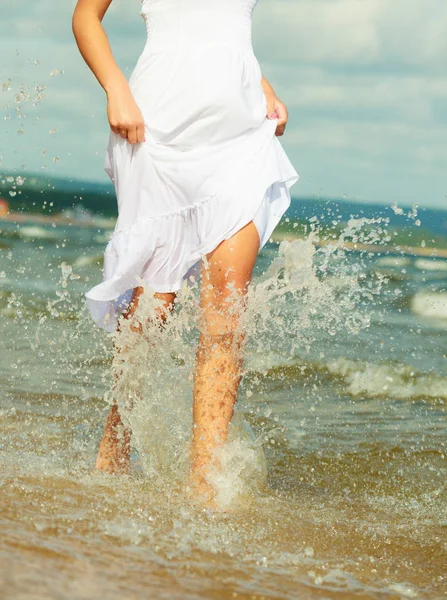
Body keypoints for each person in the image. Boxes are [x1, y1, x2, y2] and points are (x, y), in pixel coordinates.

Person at [72, 0, 299, 505]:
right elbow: (85, 16)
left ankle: (205, 482)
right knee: (152, 315)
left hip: (240, 138)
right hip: (157, 132)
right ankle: (114, 447)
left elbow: (225, 29)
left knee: (226, 310)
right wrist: (116, 90)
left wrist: (263, 88)